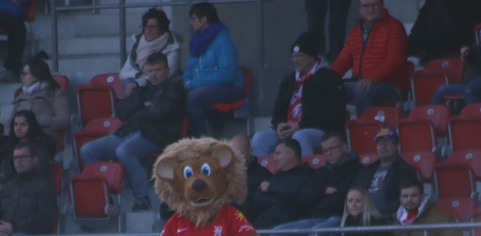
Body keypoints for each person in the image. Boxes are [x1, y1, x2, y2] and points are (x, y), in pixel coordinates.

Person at [80, 53, 186, 212]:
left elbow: (161, 112)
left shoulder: (175, 90)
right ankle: (104, 197)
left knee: (124, 151)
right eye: (150, 71)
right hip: (128, 132)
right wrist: (144, 103)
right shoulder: (142, 89)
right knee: (87, 149)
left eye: (158, 70)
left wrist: (139, 109)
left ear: (167, 70)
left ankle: (142, 198)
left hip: (156, 135)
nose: (153, 75)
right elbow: (121, 111)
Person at [251, 33, 346, 158]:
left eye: (300, 56)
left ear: (312, 57)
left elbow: (333, 115)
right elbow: (277, 112)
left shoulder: (329, 78)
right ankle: (263, 171)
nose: (295, 60)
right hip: (290, 129)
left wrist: (300, 126)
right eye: (293, 56)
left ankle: (304, 170)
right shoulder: (289, 80)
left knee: (300, 136)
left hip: (321, 131)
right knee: (259, 138)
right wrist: (279, 124)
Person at [268, 132, 362, 236]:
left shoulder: (357, 170)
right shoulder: (321, 172)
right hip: (314, 218)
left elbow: (341, 200)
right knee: (276, 235)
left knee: (315, 234)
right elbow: (303, 199)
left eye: (332, 149)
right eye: (325, 150)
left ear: (344, 147)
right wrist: (323, 191)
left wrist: (318, 196)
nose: (328, 153)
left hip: (340, 218)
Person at [330, 0, 410, 115]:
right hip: (361, 82)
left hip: (392, 84)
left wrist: (371, 79)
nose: (370, 9)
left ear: (382, 6)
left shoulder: (394, 27)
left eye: (374, 5)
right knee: (329, 89)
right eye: (366, 6)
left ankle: (366, 125)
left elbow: (395, 59)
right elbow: (343, 60)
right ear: (359, 9)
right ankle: (336, 126)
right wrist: (328, 79)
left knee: (362, 91)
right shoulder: (355, 31)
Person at [183, 2, 245, 138]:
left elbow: (227, 74)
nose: (190, 23)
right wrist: (186, 81)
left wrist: (193, 84)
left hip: (230, 87)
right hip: (202, 88)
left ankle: (205, 140)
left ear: (204, 19)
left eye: (193, 19)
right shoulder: (197, 43)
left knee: (192, 98)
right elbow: (189, 68)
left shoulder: (223, 41)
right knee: (175, 96)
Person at [240, 138, 321, 232]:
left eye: (278, 154)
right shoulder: (276, 177)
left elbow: (296, 197)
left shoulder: (307, 175)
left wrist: (271, 188)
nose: (274, 158)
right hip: (264, 221)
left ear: (290, 155)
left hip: (286, 225)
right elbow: (258, 200)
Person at [429, 23, 481, 106]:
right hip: (467, 86)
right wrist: (465, 49)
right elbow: (469, 50)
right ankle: (430, 112)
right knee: (441, 89)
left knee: (471, 89)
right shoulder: (477, 49)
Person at [389, 179, 467, 236]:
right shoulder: (398, 220)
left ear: (422, 196)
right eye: (405, 196)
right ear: (400, 199)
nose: (409, 199)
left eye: (413, 195)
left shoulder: (441, 217)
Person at [353, 128, 419, 217]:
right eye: (380, 143)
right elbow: (355, 193)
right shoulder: (366, 170)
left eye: (387, 142)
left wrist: (380, 213)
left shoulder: (406, 170)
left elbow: (407, 199)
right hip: (363, 216)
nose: (383, 146)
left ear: (397, 146)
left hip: (388, 217)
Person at [120, 8, 181, 95]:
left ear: (162, 27)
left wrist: (139, 82)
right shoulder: (137, 43)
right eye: (146, 26)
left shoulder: (172, 46)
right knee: (129, 82)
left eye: (153, 27)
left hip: (162, 88)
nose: (149, 30)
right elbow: (123, 73)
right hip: (138, 82)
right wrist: (139, 76)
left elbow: (167, 75)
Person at [407, 0, 481, 65]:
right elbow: (423, 19)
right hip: (433, 34)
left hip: (458, 37)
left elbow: (477, 19)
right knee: (408, 43)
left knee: (435, 40)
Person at [11, 57, 70, 142]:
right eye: (21, 74)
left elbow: (64, 120)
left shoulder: (55, 92)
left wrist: (36, 120)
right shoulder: (21, 93)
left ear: (36, 75)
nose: (21, 77)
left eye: (25, 74)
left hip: (43, 137)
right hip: (19, 138)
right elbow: (12, 118)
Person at [0, 110, 56, 185]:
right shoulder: (8, 146)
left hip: (37, 185)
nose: (18, 128)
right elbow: (5, 172)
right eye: (15, 125)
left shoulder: (41, 144)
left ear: (31, 126)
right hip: (13, 186)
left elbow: (40, 169)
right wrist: (1, 183)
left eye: (23, 125)